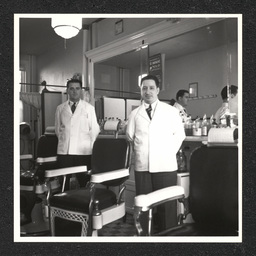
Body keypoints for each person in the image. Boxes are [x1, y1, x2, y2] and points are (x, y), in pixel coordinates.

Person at [126, 75, 185, 234]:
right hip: (143, 167)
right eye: (144, 88)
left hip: (165, 166)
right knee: (144, 206)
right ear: (141, 90)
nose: (148, 91)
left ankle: (168, 239)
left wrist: (165, 153)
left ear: (158, 89)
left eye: (151, 88)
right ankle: (145, 237)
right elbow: (130, 136)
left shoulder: (171, 111)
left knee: (167, 207)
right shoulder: (135, 114)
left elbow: (180, 135)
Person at [55, 78, 100, 190]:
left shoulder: (89, 108)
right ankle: (64, 205)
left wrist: (87, 145)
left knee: (84, 182)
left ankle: (83, 206)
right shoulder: (60, 108)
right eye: (71, 89)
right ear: (67, 91)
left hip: (83, 152)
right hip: (64, 152)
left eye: (77, 88)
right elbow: (58, 129)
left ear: (81, 91)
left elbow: (94, 130)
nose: (74, 91)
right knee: (64, 183)